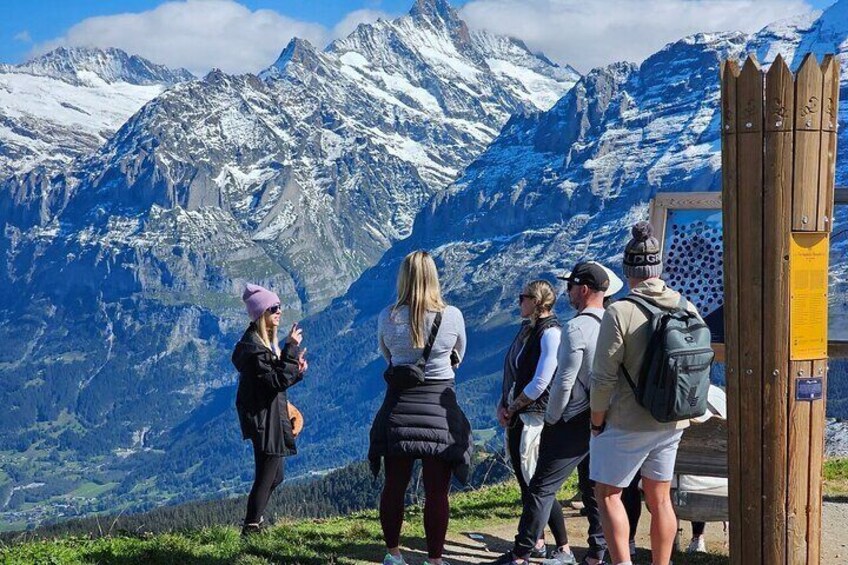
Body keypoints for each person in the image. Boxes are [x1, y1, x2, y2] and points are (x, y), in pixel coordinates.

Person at [590, 221, 704, 565]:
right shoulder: (687, 306)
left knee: (608, 494)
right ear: (658, 267)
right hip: (672, 419)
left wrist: (597, 422)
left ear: (628, 270)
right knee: (660, 498)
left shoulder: (619, 312)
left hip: (627, 419)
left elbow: (602, 378)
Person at [491, 263, 620, 565]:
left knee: (540, 487)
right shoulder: (613, 323)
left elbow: (563, 382)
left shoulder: (575, 327)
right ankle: (597, 554)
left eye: (572, 286)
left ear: (584, 289)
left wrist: (552, 419)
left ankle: (522, 553)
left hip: (571, 420)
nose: (568, 292)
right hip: (605, 418)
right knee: (593, 487)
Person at [369, 250, 472, 565]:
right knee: (437, 492)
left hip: (399, 406)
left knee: (394, 485)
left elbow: (386, 355)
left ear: (403, 278)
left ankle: (393, 553)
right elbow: (460, 353)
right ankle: (436, 559)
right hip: (439, 407)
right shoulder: (451, 315)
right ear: (433, 277)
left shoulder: (387, 316)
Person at [494, 279, 564, 560]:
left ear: (536, 301)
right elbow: (513, 371)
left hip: (534, 416)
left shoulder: (550, 333)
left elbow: (540, 381)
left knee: (537, 483)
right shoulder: (529, 331)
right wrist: (504, 403)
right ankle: (538, 541)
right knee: (528, 483)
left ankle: (563, 546)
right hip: (520, 414)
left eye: (522, 297)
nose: (518, 302)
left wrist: (513, 405)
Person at [232, 283, 308, 536]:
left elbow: (274, 382)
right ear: (261, 314)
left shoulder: (261, 345)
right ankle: (251, 529)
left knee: (276, 477)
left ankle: (255, 522)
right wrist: (291, 349)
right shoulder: (256, 350)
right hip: (265, 420)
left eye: (279, 307)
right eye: (273, 308)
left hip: (269, 415)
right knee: (265, 478)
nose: (279, 312)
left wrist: (296, 371)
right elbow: (275, 381)